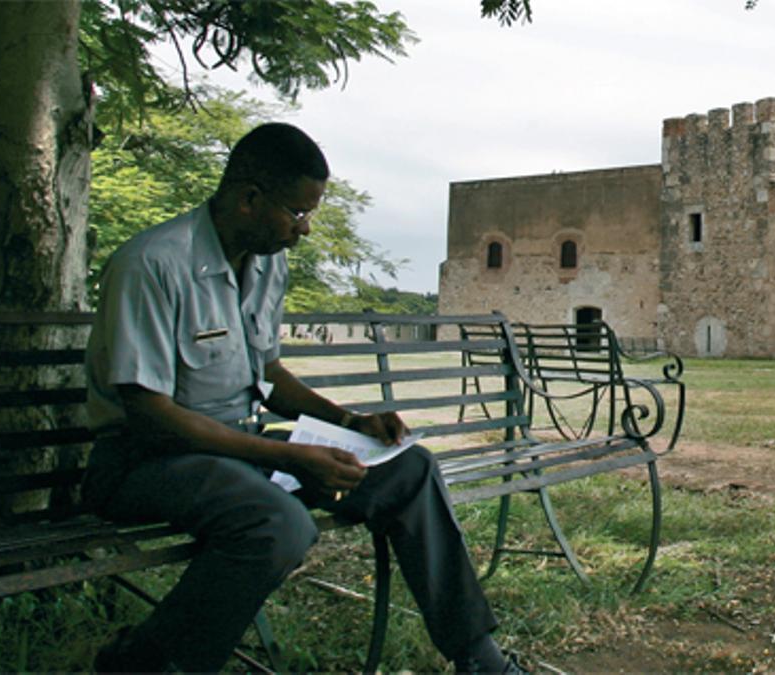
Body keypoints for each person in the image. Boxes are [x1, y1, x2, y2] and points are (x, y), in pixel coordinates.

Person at [83, 123, 522, 673]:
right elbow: (151, 415)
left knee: (408, 469)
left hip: (238, 452)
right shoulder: (153, 264)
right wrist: (290, 456)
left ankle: (479, 657)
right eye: (297, 213)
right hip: (144, 462)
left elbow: (268, 374)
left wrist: (348, 421)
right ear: (249, 199)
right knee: (279, 524)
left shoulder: (267, 264)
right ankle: (148, 664)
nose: (306, 229)